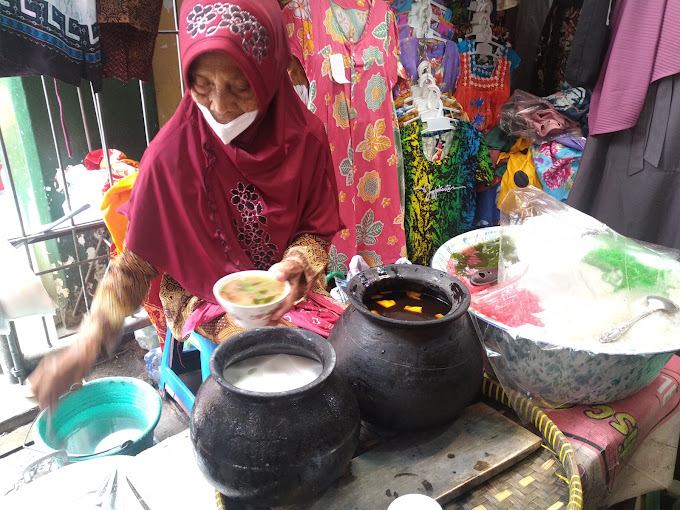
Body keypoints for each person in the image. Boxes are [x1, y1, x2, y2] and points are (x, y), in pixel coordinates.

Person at [28, 0, 342, 410]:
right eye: (202, 84)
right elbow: (136, 264)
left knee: (343, 355)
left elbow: (315, 231)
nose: (219, 106)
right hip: (202, 291)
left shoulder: (306, 138)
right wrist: (83, 348)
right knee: (261, 370)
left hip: (289, 287)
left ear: (269, 74)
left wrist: (297, 264)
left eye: (239, 86)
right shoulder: (172, 153)